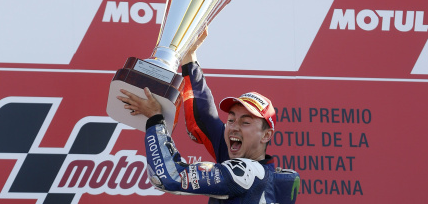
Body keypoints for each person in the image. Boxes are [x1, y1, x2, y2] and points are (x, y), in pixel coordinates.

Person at [117, 30, 300, 203]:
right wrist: (189, 57)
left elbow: (169, 177)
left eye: (245, 122)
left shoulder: (245, 173)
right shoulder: (253, 164)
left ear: (266, 135)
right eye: (230, 120)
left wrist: (155, 119)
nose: (233, 126)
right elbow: (205, 117)